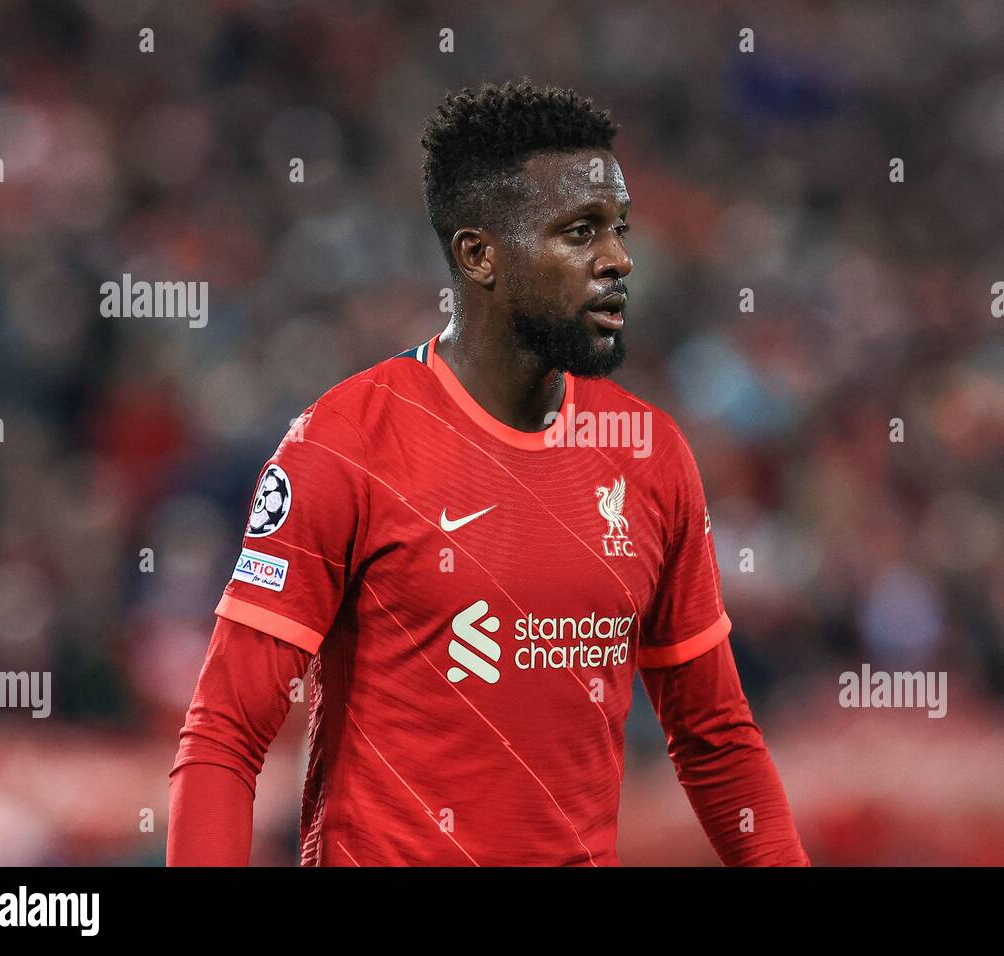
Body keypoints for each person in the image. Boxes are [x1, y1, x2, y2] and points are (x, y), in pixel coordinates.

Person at [167, 79, 809, 866]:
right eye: (580, 232)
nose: (618, 259)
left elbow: (717, 743)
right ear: (480, 255)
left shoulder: (649, 453)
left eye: (619, 229)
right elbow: (225, 734)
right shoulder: (342, 446)